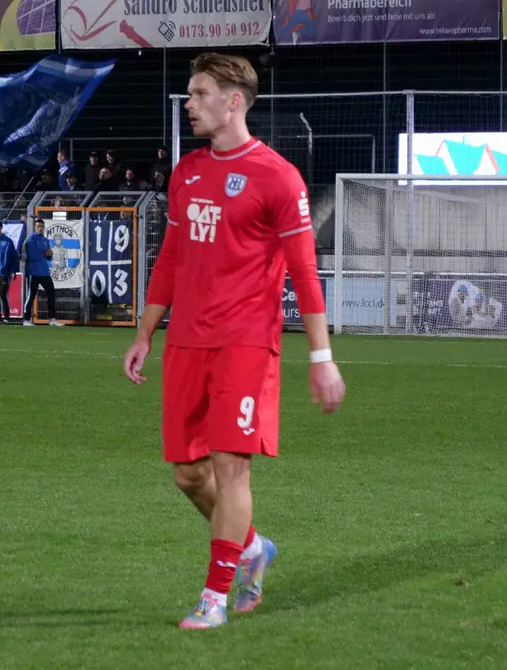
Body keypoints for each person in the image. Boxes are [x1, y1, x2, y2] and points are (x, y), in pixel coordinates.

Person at [123, 53, 346, 630]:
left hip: (246, 343)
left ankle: (214, 597)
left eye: (198, 94)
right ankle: (250, 549)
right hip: (187, 343)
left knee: (230, 468)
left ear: (234, 102)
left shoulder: (277, 176)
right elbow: (171, 258)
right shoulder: (187, 171)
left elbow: (304, 272)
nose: (189, 104)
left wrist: (321, 359)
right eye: (190, 94)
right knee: (188, 475)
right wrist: (146, 330)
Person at [22, 218, 63, 327]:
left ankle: (52, 319)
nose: (40, 228)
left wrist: (49, 254)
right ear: (35, 227)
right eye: (38, 226)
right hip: (33, 272)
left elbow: (48, 257)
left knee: (51, 293)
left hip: (44, 271)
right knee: (31, 295)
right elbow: (31, 256)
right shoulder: (31, 239)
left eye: (42, 227)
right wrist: (45, 253)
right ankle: (26, 319)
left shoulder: (45, 240)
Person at [0, 219, 18, 323]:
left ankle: (6, 318)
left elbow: (13, 257)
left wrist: (14, 270)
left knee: (2, 294)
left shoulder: (7, 241)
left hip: (3, 273)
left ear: (1, 228)